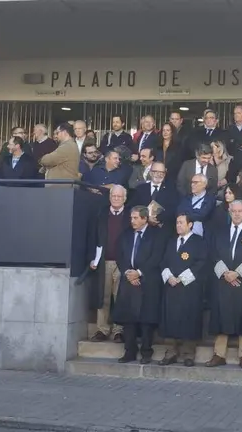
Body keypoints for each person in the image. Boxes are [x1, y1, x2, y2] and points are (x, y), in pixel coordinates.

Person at [208, 200, 242, 369]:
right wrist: (225, 273)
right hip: (223, 281)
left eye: (240, 211)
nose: (237, 214)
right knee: (221, 315)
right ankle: (219, 354)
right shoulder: (220, 232)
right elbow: (213, 253)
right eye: (234, 211)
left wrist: (237, 273)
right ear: (229, 212)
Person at [113, 206, 166, 364]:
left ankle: (146, 351)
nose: (132, 221)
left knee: (146, 319)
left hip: (148, 281)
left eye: (136, 218)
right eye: (131, 218)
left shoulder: (156, 234)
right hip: (129, 281)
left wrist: (140, 272)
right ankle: (129, 351)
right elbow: (120, 255)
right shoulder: (126, 234)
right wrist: (129, 273)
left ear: (144, 219)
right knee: (128, 318)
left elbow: (157, 257)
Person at [158, 214, 207, 367]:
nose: (178, 225)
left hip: (189, 287)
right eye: (177, 222)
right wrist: (169, 276)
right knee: (170, 318)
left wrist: (182, 278)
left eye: (181, 222)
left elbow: (202, 262)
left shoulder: (199, 242)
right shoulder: (172, 241)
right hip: (171, 287)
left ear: (190, 224)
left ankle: (188, 354)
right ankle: (170, 352)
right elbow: (163, 261)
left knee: (189, 318)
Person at [88, 185, 133, 343]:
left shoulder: (130, 215)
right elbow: (93, 237)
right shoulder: (101, 213)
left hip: (123, 263)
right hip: (104, 262)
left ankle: (118, 330)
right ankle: (102, 329)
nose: (116, 199)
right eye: (114, 196)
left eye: (119, 197)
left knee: (120, 298)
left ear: (124, 199)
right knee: (104, 297)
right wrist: (92, 258)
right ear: (109, 197)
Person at [40, 123, 80, 187]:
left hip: (62, 188)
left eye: (57, 133)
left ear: (64, 132)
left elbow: (48, 160)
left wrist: (42, 159)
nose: (56, 136)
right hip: (63, 187)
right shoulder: (69, 145)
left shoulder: (67, 146)